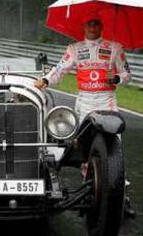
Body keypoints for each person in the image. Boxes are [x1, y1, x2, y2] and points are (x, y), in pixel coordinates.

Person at [34, 12, 136, 217]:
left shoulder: (115, 48)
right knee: (83, 148)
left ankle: (120, 197)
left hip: (107, 101)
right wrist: (44, 81)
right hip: (84, 101)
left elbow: (127, 75)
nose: (92, 27)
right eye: (89, 24)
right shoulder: (74, 49)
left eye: (96, 24)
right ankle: (92, 192)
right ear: (84, 27)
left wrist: (115, 78)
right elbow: (60, 70)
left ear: (101, 26)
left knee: (114, 148)